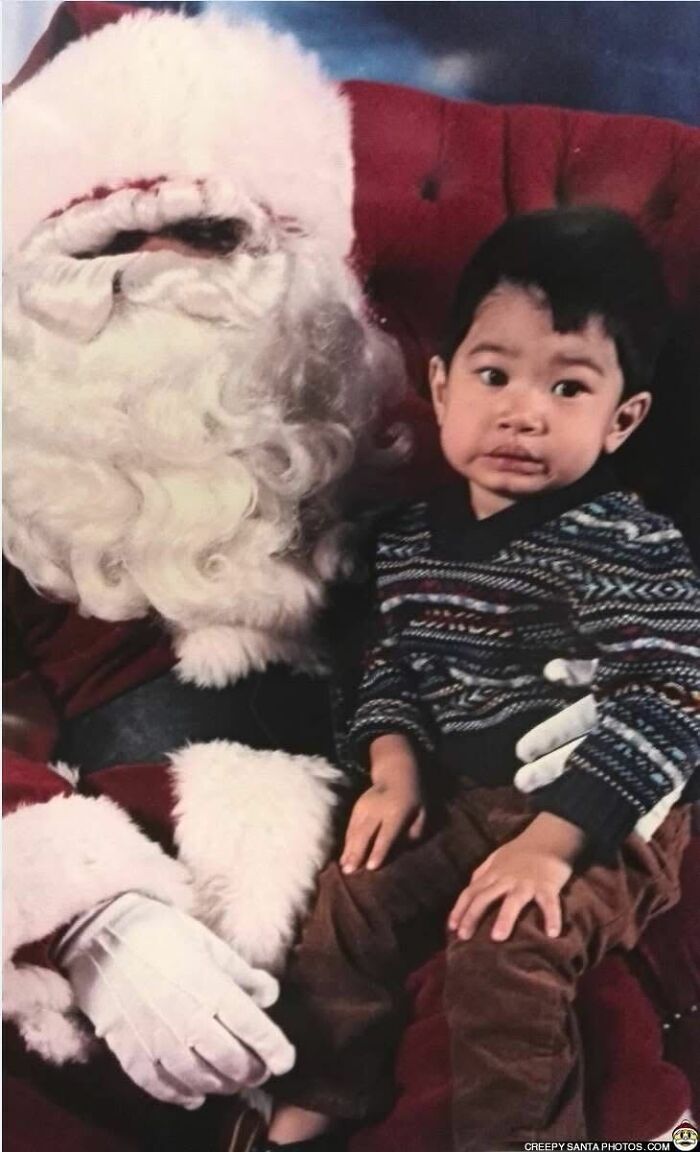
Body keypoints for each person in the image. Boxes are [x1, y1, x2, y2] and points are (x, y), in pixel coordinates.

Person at [249, 207, 700, 1151]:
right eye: (494, 376)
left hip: (601, 813)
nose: (522, 410)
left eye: (568, 387)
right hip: (457, 796)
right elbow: (392, 668)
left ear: (623, 419)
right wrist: (393, 766)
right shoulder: (410, 541)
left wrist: (551, 843)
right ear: (442, 385)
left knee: (507, 940)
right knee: (354, 896)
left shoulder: (627, 543)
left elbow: (670, 700)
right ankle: (324, 1086)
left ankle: (524, 1135)